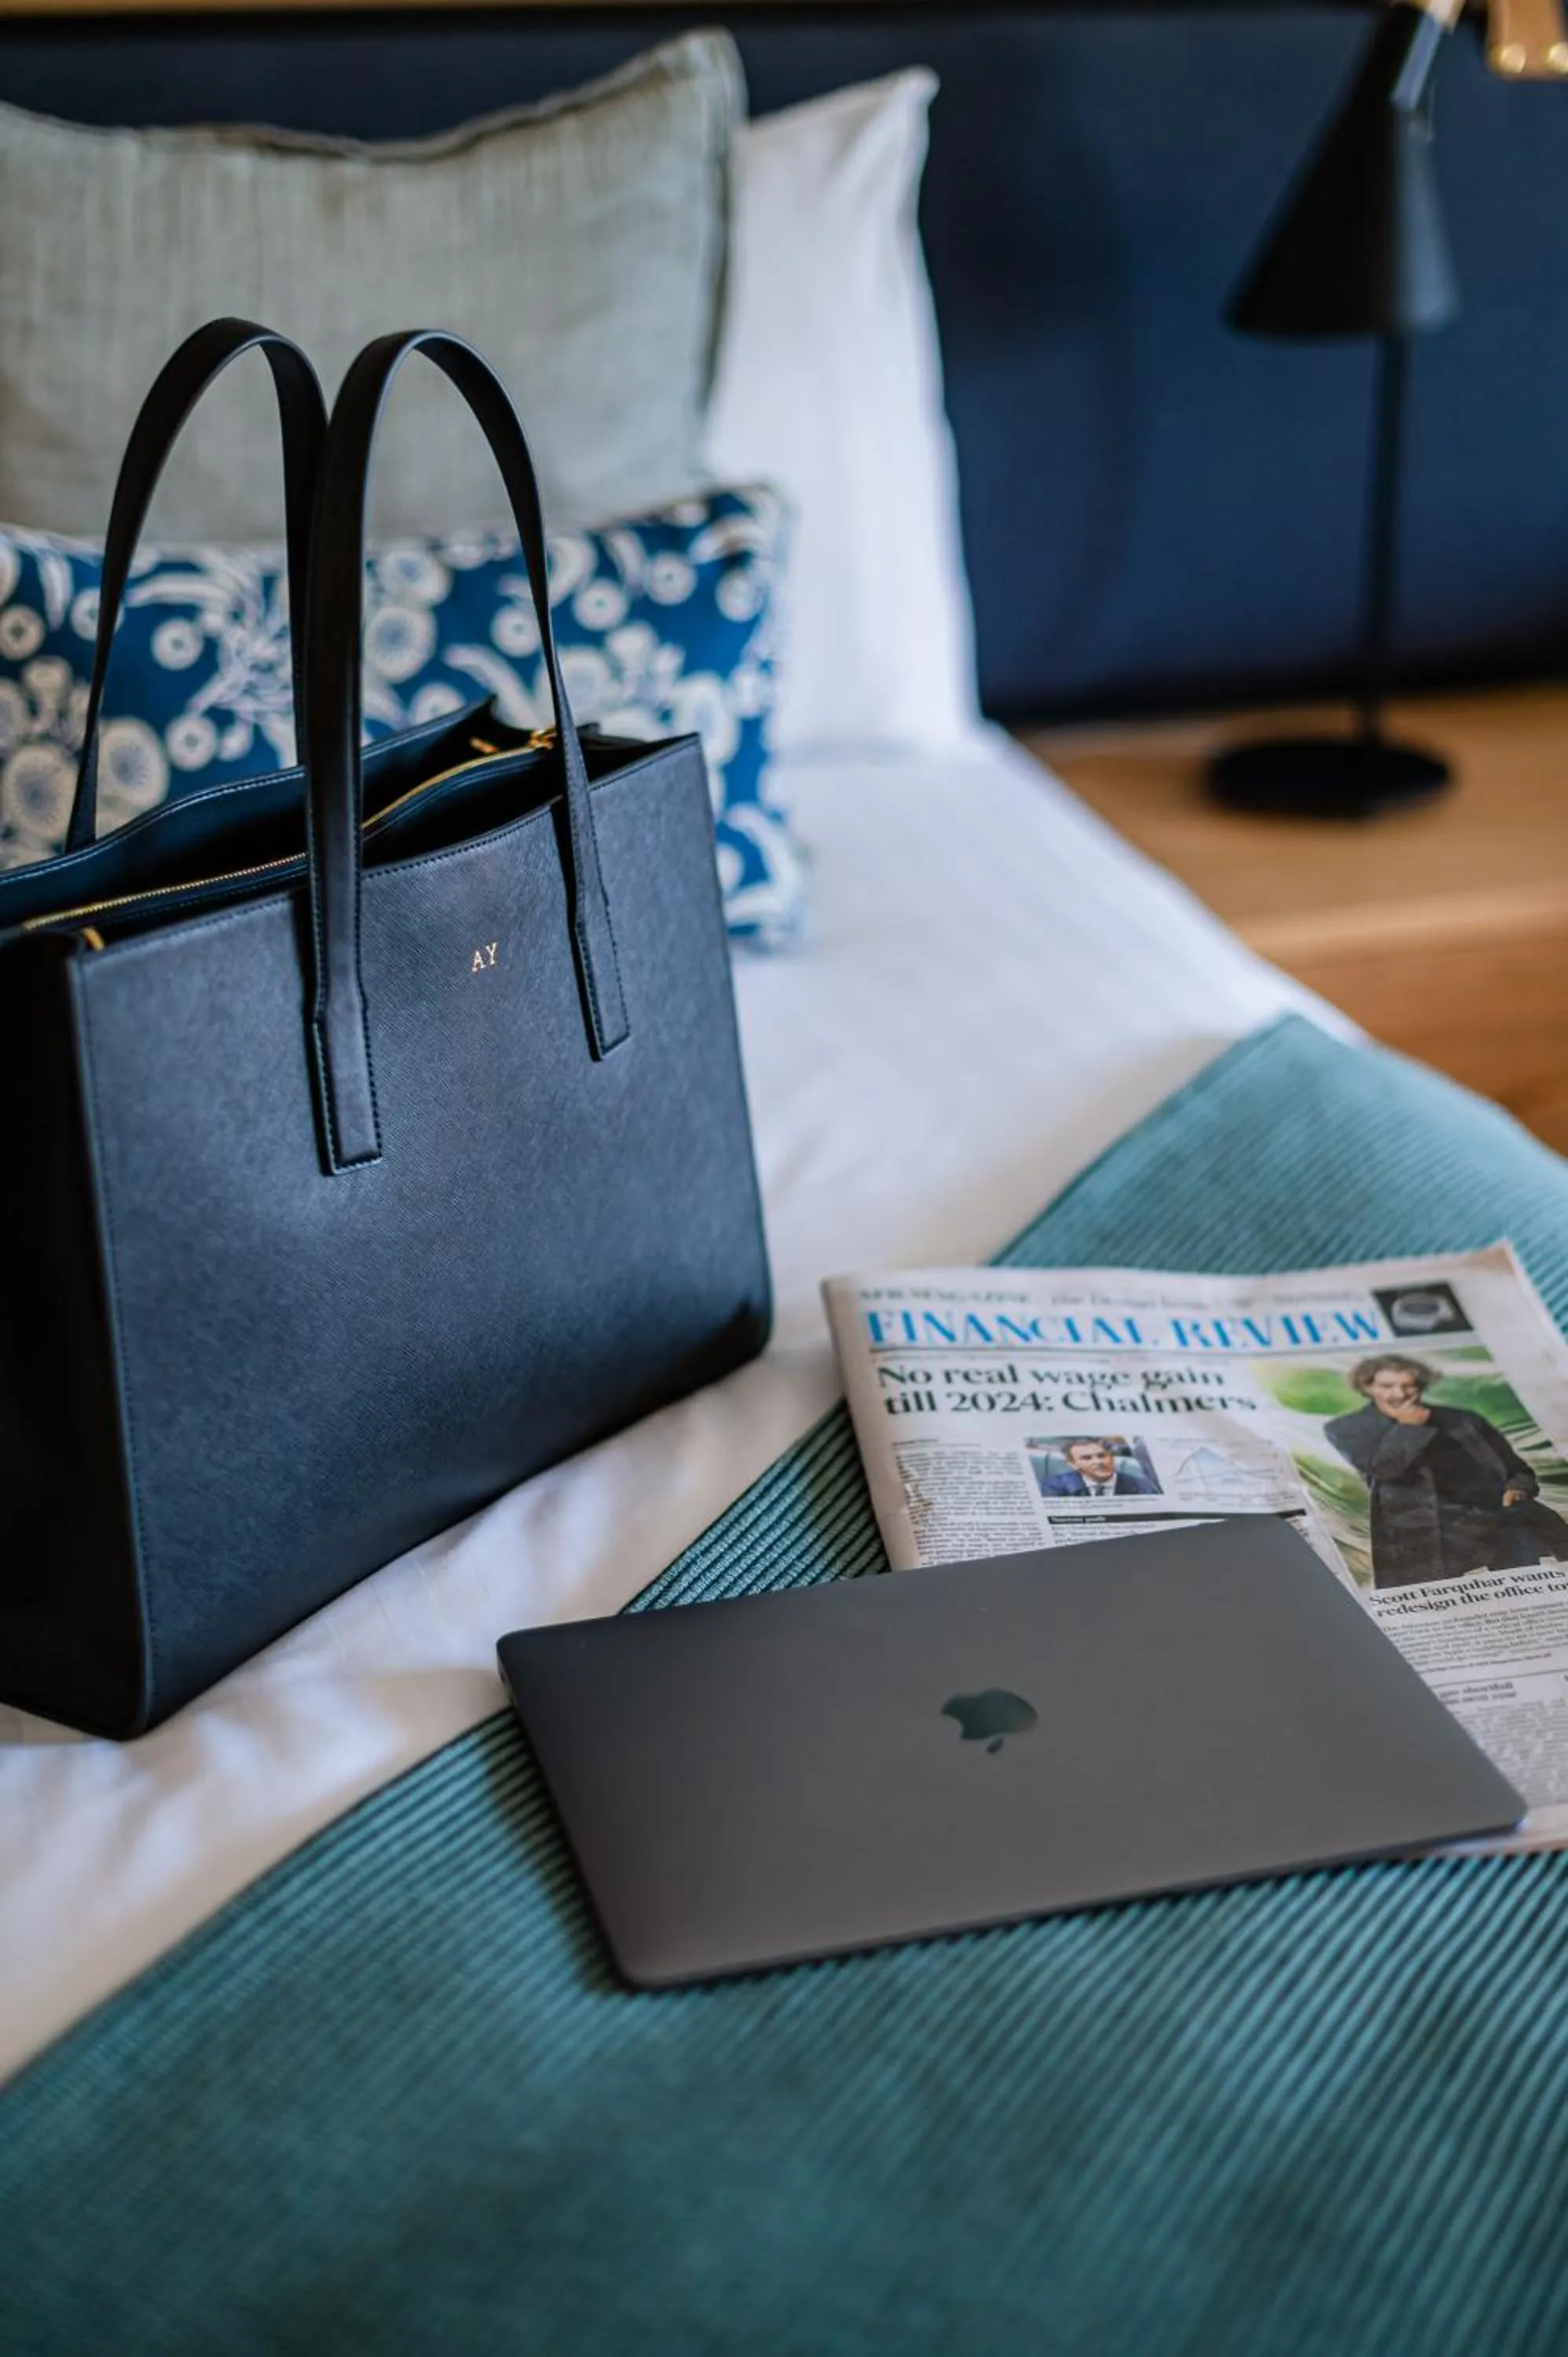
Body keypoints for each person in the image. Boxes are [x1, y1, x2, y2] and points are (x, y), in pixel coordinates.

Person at [1326, 1354, 1568, 1588]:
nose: (1399, 1394)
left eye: (1409, 1386)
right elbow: (1386, 1470)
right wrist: (1410, 1428)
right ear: (1368, 1387)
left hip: (1499, 1522)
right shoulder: (1346, 1428)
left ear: (1421, 1386)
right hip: (1425, 1536)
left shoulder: (1463, 1419)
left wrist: (1518, 1488)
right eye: (1387, 1386)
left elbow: (1518, 1470)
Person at [1039, 1437, 1158, 1499]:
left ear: (1112, 1458)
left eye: (1102, 1456)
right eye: (1087, 1458)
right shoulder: (1054, 1486)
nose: (1098, 1462)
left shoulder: (1144, 1487)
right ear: (1072, 1464)